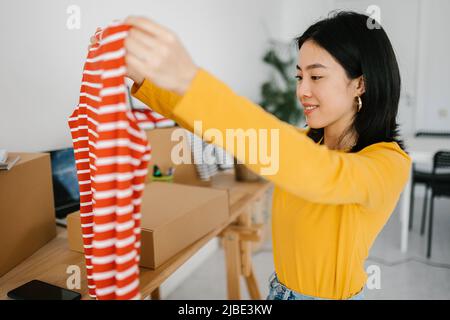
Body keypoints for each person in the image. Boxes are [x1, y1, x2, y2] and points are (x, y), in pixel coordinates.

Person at [90, 11, 411, 300]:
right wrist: (145, 80)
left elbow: (320, 174)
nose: (302, 91)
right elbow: (214, 127)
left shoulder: (387, 163)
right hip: (279, 292)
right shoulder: (306, 145)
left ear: (360, 84)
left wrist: (191, 80)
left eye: (316, 76)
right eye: (300, 77)